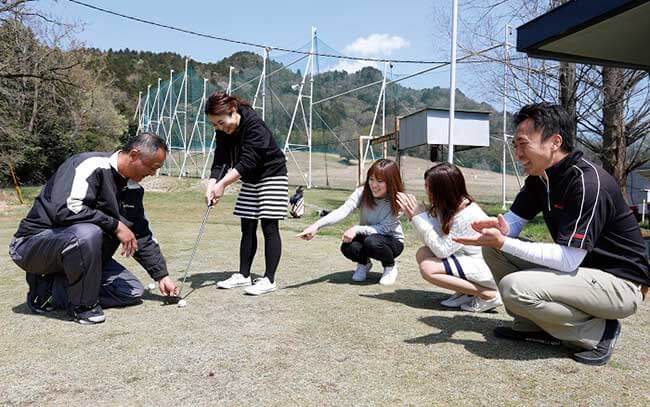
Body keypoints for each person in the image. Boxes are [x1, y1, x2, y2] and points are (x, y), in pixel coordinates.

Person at [455, 103, 649, 365]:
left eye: (523, 144)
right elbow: (514, 220)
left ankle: (599, 333)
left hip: (619, 284)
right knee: (494, 248)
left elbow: (568, 259)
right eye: (516, 145)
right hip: (582, 271)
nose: (518, 152)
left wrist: (505, 241)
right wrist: (500, 229)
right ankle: (532, 324)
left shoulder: (587, 182)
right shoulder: (540, 177)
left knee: (515, 288)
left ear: (555, 141)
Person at [8, 132, 178, 325]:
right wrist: (115, 225)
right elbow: (65, 209)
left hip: (83, 255)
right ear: (134, 155)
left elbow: (140, 234)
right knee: (87, 233)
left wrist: (161, 275)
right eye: (152, 167)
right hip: (32, 245)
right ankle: (82, 307)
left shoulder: (133, 188)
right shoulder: (88, 165)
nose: (153, 174)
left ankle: (50, 291)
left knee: (131, 291)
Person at [204, 92, 288, 296]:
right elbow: (221, 158)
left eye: (221, 123)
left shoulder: (253, 124)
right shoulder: (223, 130)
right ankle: (243, 275)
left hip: (272, 174)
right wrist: (212, 183)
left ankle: (269, 279)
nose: (219, 128)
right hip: (250, 178)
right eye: (214, 125)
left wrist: (223, 184)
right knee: (247, 225)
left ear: (232, 112)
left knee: (269, 225)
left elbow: (248, 161)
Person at [397, 163, 501, 312]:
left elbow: (441, 250)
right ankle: (467, 292)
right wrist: (413, 215)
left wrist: (417, 217)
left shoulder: (468, 215)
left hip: (487, 268)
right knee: (423, 253)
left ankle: (488, 294)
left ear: (443, 190)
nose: (425, 190)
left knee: (428, 268)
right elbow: (433, 238)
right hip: (470, 260)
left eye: (428, 186)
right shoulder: (450, 205)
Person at [299, 159, 404, 285]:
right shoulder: (362, 192)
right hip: (368, 237)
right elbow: (342, 211)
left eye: (380, 181)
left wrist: (356, 229)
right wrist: (316, 226)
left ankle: (390, 266)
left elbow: (383, 229)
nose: (374, 185)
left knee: (372, 242)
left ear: (391, 182)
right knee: (348, 246)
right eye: (371, 179)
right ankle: (364, 263)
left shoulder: (398, 200)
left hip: (391, 241)